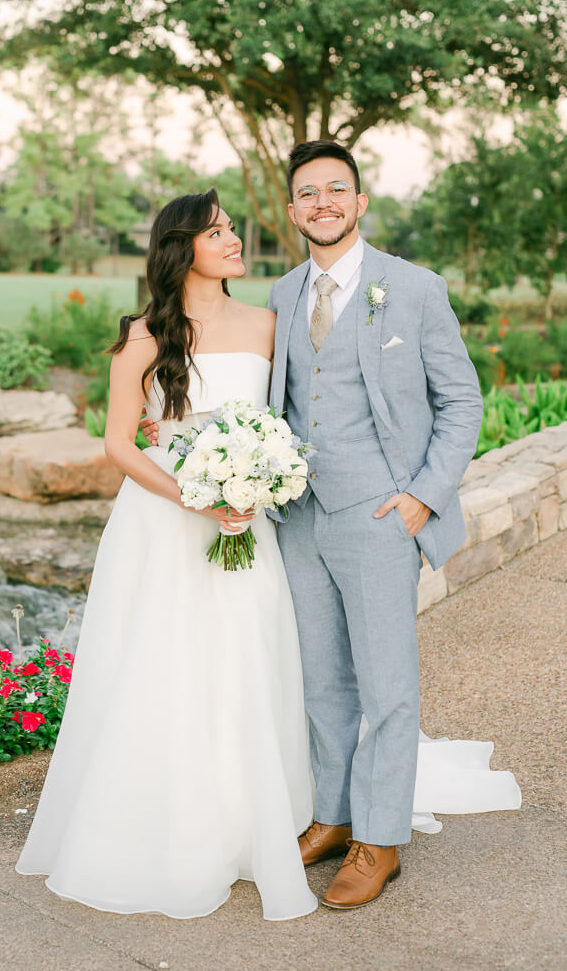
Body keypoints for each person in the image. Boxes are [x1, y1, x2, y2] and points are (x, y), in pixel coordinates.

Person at [16, 188, 320, 920]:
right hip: (164, 523)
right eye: (219, 232)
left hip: (246, 517)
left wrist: (257, 480)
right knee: (164, 664)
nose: (235, 240)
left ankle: (252, 821)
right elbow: (120, 443)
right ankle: (165, 824)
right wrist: (197, 497)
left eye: (232, 230)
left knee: (247, 658)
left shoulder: (269, 325)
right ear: (184, 249)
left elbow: (289, 417)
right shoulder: (144, 337)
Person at [268, 139, 517, 909]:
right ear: (291, 210)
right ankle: (336, 816)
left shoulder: (411, 288)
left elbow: (462, 402)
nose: (323, 204)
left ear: (360, 200)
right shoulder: (279, 295)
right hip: (298, 517)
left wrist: (422, 496)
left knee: (387, 684)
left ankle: (381, 840)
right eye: (308, 193)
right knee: (321, 682)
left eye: (336, 189)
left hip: (379, 513)